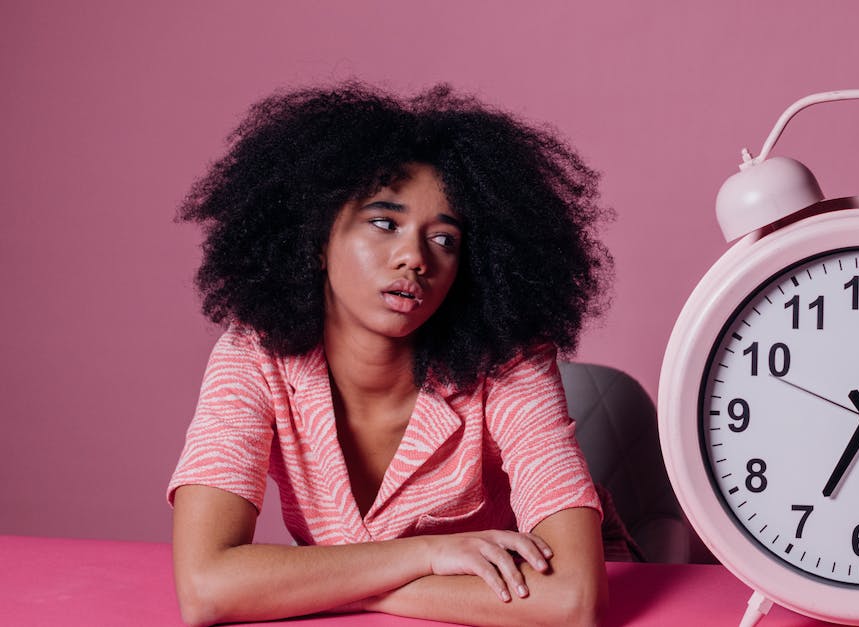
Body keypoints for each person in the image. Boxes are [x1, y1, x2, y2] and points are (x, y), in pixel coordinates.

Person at [167, 82, 613, 627]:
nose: (414, 257)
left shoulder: (511, 363)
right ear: (317, 239)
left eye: (444, 239)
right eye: (385, 223)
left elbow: (573, 601)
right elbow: (207, 587)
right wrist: (426, 555)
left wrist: (329, 586)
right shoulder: (256, 357)